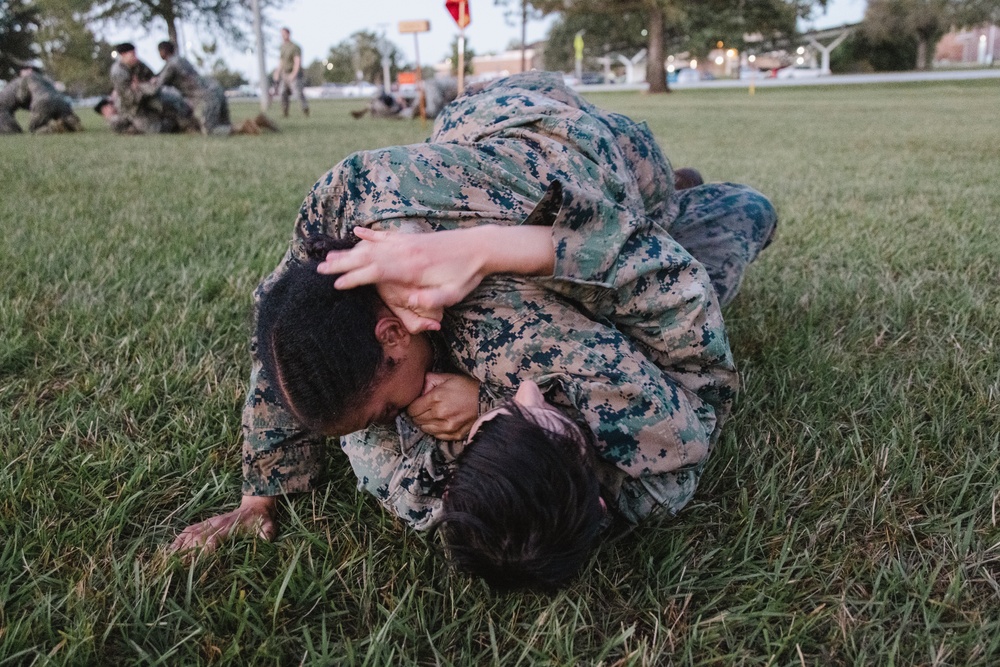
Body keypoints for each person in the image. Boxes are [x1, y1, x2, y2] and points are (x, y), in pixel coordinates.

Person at [170, 72, 775, 589]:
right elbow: (282, 338)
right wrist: (261, 490)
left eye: (388, 411)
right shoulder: (340, 215)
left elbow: (656, 274)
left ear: (392, 335)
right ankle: (687, 206)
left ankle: (680, 201)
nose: (401, 420)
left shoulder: (528, 341)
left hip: (596, 155)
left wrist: (483, 251)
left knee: (683, 225)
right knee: (724, 224)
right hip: (484, 128)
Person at [110, 43, 200, 134]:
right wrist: (145, 87)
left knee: (170, 100)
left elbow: (153, 80)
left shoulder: (137, 65)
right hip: (133, 110)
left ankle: (185, 122)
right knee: (156, 130)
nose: (135, 57)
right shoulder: (118, 72)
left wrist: (140, 86)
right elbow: (130, 98)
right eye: (132, 54)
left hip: (145, 103)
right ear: (123, 55)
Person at [145, 41, 232, 135]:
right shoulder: (181, 60)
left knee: (210, 130)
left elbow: (157, 86)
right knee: (224, 123)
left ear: (162, 52)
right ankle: (238, 129)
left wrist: (144, 85)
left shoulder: (172, 65)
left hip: (208, 95)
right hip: (216, 88)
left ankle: (241, 129)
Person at [0, 67, 83, 134]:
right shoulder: (44, 79)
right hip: (60, 100)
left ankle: (54, 128)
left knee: (34, 128)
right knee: (65, 116)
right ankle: (71, 122)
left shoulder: (23, 81)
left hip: (42, 101)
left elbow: (22, 98)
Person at [274, 28, 308, 118]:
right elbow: (281, 61)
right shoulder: (282, 47)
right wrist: (277, 72)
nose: (282, 36)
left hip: (294, 74)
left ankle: (305, 110)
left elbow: (297, 61)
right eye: (281, 34)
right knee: (282, 93)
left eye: (284, 34)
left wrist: (294, 73)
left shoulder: (295, 47)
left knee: (298, 93)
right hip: (284, 74)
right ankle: (285, 113)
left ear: (288, 34)